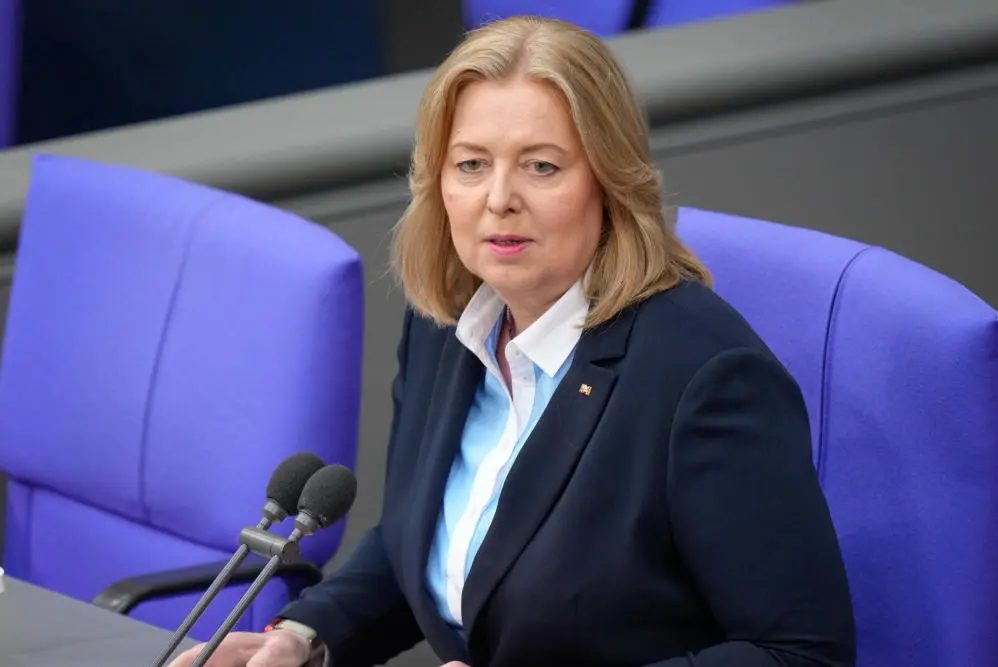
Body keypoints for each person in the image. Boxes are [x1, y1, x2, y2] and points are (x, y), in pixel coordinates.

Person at [170, 15, 855, 667]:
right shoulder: (449, 327)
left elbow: (800, 651)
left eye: (542, 166)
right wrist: (300, 637)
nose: (499, 198)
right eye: (471, 164)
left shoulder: (704, 378)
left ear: (609, 183)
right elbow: (422, 541)